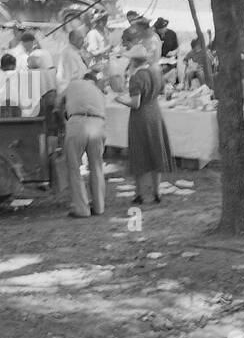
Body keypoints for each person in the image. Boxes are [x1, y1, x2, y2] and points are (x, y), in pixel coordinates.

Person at [116, 45, 174, 204]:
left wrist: (120, 99)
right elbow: (163, 90)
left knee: (139, 152)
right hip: (155, 112)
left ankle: (139, 193)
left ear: (133, 61)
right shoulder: (156, 72)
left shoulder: (136, 77)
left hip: (141, 117)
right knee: (155, 149)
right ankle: (157, 192)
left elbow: (135, 103)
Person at [61, 71, 107, 218]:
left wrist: (63, 118)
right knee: (96, 167)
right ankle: (99, 207)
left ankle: (82, 209)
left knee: (74, 167)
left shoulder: (73, 84)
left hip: (78, 122)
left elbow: (57, 103)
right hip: (98, 124)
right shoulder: (99, 92)